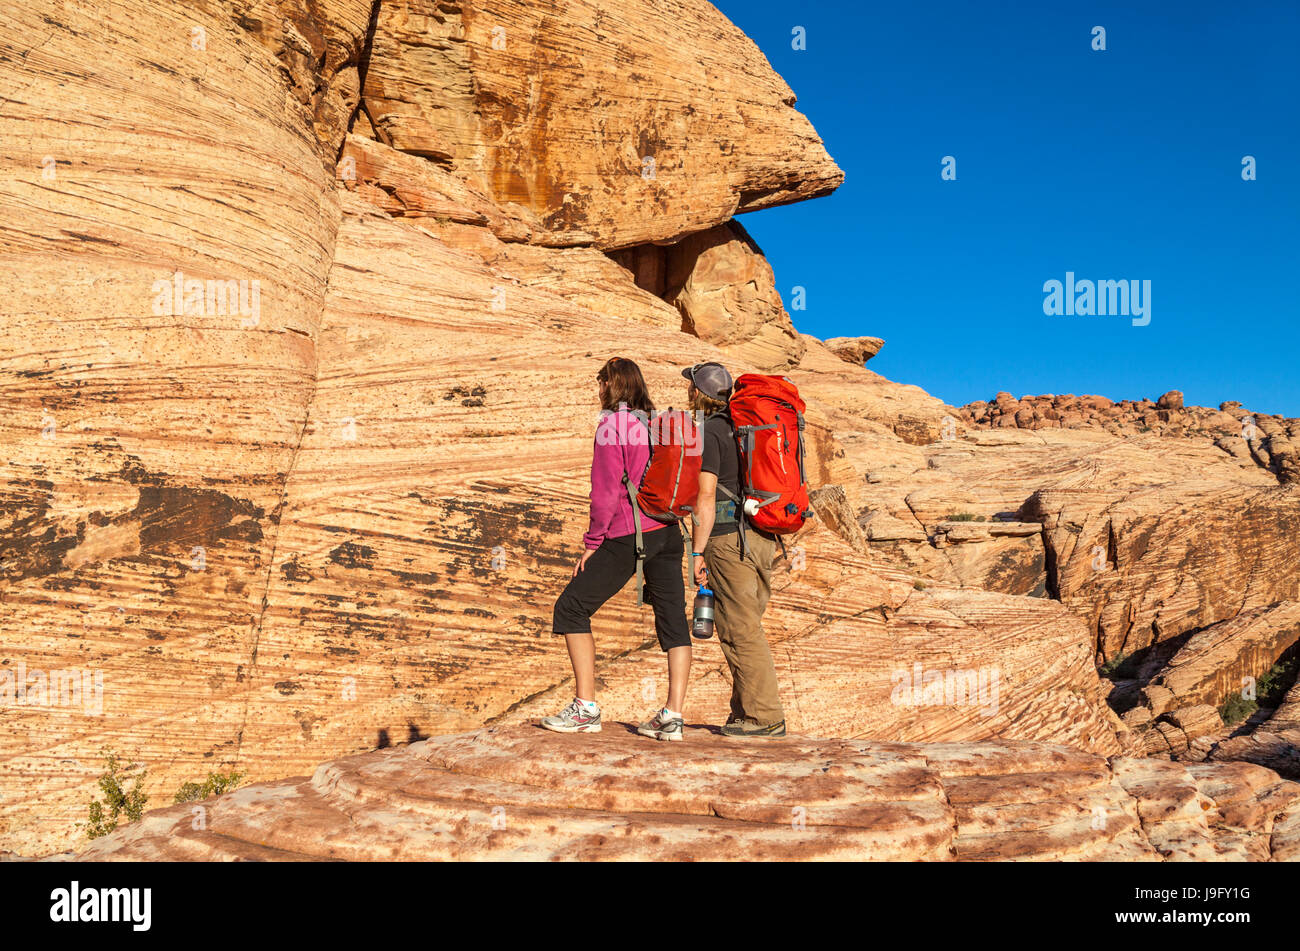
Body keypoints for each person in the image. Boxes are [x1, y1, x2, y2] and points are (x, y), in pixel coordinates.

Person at [541, 357, 693, 741]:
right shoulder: (656, 421)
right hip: (670, 532)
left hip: (630, 533)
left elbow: (606, 492)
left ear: (612, 384)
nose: (598, 388)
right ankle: (673, 715)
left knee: (572, 607)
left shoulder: (613, 425)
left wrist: (593, 543)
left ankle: (585, 709)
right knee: (674, 620)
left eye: (601, 381)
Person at [683, 361, 787, 738]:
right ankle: (744, 713)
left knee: (740, 630)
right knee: (742, 625)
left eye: (691, 387)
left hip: (728, 540)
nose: (688, 392)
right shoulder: (746, 429)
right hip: (761, 537)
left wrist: (696, 553)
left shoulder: (710, 430)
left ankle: (765, 717)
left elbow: (705, 497)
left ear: (700, 394)